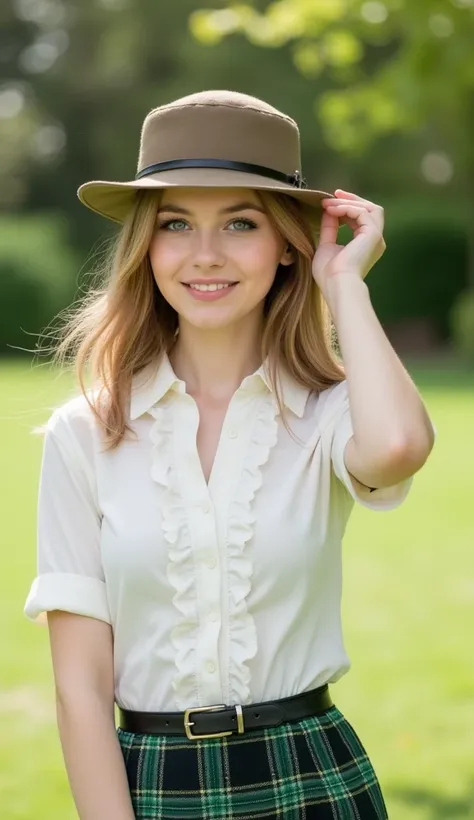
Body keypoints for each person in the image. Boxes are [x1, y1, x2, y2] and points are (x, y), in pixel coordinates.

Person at [24, 90, 435, 820]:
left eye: (239, 223)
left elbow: (399, 447)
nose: (204, 255)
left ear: (286, 244)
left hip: (311, 777)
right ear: (145, 245)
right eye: (176, 223)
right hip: (150, 785)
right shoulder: (84, 434)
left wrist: (344, 286)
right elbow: (79, 688)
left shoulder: (326, 412)